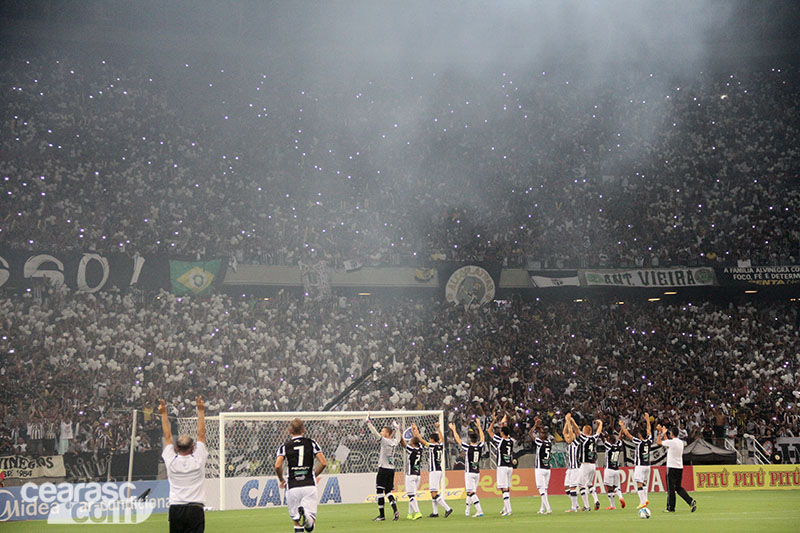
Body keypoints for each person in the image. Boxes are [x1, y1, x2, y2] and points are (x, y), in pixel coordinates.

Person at [160, 396, 207, 533]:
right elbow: (201, 434)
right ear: (193, 448)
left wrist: (163, 412)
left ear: (176, 448)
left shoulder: (171, 461)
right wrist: (200, 411)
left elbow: (167, 436)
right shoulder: (198, 459)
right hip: (195, 508)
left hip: (176, 508)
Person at [275, 418, 327, 533]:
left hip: (293, 485)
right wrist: (314, 474)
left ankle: (304, 518)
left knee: (296, 521)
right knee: (311, 523)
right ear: (304, 430)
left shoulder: (284, 446)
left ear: (290, 430)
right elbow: (323, 462)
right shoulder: (311, 443)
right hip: (309, 484)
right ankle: (308, 518)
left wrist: (281, 480)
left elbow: (278, 466)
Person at [656, 424, 697, 513]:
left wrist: (660, 433)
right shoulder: (680, 442)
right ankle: (690, 501)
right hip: (679, 467)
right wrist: (664, 434)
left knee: (671, 488)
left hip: (671, 467)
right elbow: (668, 442)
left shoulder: (672, 442)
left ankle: (671, 507)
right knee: (678, 488)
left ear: (671, 434)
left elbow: (659, 442)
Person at [366, 418, 400, 521]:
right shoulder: (395, 441)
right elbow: (398, 435)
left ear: (387, 434)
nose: (381, 433)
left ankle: (382, 515)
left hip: (383, 469)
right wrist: (396, 427)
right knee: (388, 492)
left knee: (380, 491)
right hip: (391, 469)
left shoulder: (385, 441)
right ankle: (395, 510)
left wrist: (368, 423)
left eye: (383, 431)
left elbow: (375, 433)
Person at [449, 420, 484, 518]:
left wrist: (453, 429)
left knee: (470, 492)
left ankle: (479, 510)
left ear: (470, 439)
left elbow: (458, 440)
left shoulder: (468, 447)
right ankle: (467, 511)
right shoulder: (480, 446)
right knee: (471, 492)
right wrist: (479, 426)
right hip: (477, 472)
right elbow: (483, 438)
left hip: (469, 472)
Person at [568, 415, 603, 511]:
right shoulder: (594, 438)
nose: (582, 431)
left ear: (586, 431)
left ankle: (587, 506)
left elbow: (576, 430)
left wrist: (572, 421)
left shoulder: (584, 438)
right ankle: (596, 500)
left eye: (583, 430)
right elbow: (598, 432)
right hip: (593, 465)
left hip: (585, 464)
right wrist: (601, 424)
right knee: (590, 484)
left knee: (581, 485)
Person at [619, 412, 652, 509]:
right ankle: (645, 499)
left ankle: (642, 502)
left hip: (640, 465)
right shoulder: (649, 440)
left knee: (639, 483)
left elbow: (628, 435)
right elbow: (649, 430)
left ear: (640, 435)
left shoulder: (639, 442)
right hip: (647, 466)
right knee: (644, 482)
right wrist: (647, 419)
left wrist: (622, 426)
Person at [486, 413, 515, 516]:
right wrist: (504, 422)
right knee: (507, 487)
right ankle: (505, 507)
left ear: (502, 433)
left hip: (502, 466)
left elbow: (489, 431)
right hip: (510, 467)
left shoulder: (500, 440)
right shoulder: (511, 441)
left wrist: (493, 421)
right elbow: (507, 432)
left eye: (500, 431)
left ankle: (509, 510)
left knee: (504, 488)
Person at [423, 422, 453, 518]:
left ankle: (448, 508)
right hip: (438, 470)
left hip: (434, 471)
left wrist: (416, 434)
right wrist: (439, 428)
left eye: (430, 439)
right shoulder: (440, 445)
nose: (429, 440)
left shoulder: (432, 446)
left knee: (434, 492)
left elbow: (422, 441)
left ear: (432, 439)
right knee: (433, 492)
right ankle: (435, 512)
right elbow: (442, 439)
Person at [399, 423, 425, 520]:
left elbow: (403, 444)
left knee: (411, 495)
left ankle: (417, 512)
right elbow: (417, 440)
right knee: (412, 495)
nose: (409, 442)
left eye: (410, 441)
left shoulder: (411, 449)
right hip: (418, 475)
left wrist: (399, 433)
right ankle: (410, 514)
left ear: (412, 443)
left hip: (410, 474)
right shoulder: (420, 449)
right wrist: (415, 430)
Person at [528, 416, 552, 515]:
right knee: (545, 489)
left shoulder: (540, 442)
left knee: (541, 489)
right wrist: (539, 426)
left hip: (540, 468)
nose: (539, 434)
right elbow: (541, 434)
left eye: (541, 433)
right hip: (548, 469)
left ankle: (548, 508)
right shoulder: (549, 443)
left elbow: (530, 434)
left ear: (543, 435)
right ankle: (542, 508)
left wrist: (535, 425)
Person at [602, 423, 626, 510]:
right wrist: (622, 429)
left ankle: (612, 505)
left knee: (609, 487)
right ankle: (620, 497)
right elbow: (620, 438)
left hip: (609, 469)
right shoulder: (619, 446)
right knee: (616, 486)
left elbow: (603, 440)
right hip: (616, 469)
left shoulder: (609, 446)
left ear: (609, 440)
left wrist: (600, 431)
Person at [562, 413, 581, 512]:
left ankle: (574, 508)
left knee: (573, 487)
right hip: (569, 468)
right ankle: (576, 505)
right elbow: (564, 432)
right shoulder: (569, 443)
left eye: (571, 435)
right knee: (566, 487)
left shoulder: (576, 443)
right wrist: (567, 421)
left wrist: (569, 421)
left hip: (575, 468)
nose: (568, 437)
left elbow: (571, 432)